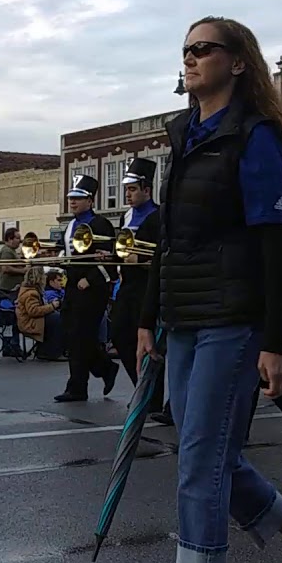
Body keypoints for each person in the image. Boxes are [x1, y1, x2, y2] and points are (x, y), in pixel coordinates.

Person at [137, 16, 282, 563]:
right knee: (212, 455)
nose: (191, 57)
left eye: (204, 48)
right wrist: (146, 317)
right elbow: (168, 237)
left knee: (200, 464)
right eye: (185, 49)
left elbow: (271, 242)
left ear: (239, 61)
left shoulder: (256, 134)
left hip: (233, 317)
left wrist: (275, 342)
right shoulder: (183, 134)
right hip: (183, 315)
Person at [53, 173, 120, 402]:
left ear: (90, 201)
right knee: (73, 335)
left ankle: (77, 387)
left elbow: (107, 259)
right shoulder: (70, 225)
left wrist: (90, 279)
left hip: (92, 287)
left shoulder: (100, 224)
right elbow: (65, 252)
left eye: (78, 198)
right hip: (72, 284)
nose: (72, 202)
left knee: (82, 335)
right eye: (71, 198)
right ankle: (104, 367)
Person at [109, 157, 165, 413]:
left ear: (147, 189)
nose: (128, 195)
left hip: (148, 286)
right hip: (128, 285)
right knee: (120, 335)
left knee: (151, 342)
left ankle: (152, 395)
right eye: (127, 190)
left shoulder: (159, 216)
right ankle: (142, 387)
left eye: (132, 189)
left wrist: (140, 258)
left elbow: (163, 254)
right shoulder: (127, 216)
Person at [17, 266, 65, 360]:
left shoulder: (31, 290)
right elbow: (33, 311)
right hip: (30, 323)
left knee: (56, 317)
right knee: (57, 319)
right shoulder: (31, 293)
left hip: (33, 319)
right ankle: (54, 352)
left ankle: (47, 349)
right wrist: (53, 306)